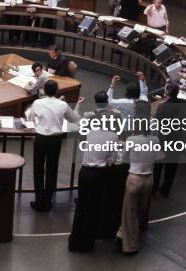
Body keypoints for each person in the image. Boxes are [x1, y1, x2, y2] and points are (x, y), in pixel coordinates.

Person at [68, 91, 122, 252]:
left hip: (84, 172)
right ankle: (86, 244)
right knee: (93, 210)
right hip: (98, 175)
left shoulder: (90, 131)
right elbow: (111, 161)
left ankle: (74, 242)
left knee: (81, 208)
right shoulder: (113, 136)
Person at [26, 80, 83, 211]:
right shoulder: (62, 104)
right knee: (52, 169)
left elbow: (30, 118)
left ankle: (39, 200)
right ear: (57, 91)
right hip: (55, 140)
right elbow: (74, 118)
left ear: (44, 91)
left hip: (40, 139)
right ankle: (48, 201)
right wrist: (78, 105)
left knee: (38, 169)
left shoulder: (37, 103)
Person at [116, 101, 159, 255]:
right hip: (149, 179)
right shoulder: (154, 139)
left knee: (129, 214)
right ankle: (123, 233)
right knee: (140, 210)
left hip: (134, 179)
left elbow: (125, 160)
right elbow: (159, 155)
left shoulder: (131, 140)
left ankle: (130, 246)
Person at [152, 82, 186, 197]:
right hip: (178, 140)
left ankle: (154, 188)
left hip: (163, 140)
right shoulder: (184, 103)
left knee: (158, 166)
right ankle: (165, 189)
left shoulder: (162, 107)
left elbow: (157, 123)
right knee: (171, 167)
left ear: (166, 93)